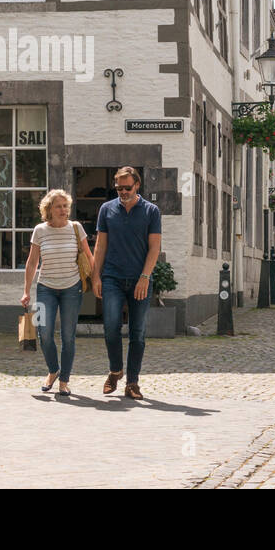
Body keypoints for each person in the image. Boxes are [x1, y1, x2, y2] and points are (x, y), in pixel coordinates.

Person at [92, 166, 161, 400]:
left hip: (140, 279)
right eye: (119, 187)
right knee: (111, 326)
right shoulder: (106, 209)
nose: (122, 191)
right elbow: (100, 246)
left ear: (137, 185)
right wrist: (95, 276)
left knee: (137, 332)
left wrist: (144, 277)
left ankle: (132, 382)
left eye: (127, 187)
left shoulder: (151, 211)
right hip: (112, 276)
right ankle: (115, 370)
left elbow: (155, 248)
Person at [22, 189, 93, 396]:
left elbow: (89, 256)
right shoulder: (40, 230)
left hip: (72, 288)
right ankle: (53, 370)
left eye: (65, 206)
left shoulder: (76, 228)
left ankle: (64, 380)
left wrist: (97, 281)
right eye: (58, 206)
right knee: (44, 333)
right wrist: (26, 291)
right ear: (48, 209)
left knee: (68, 337)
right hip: (45, 289)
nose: (63, 210)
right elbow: (32, 262)